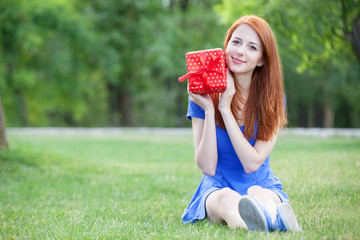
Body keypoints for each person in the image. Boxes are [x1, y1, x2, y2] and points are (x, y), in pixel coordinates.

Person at [182, 15, 302, 232]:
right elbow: (207, 167)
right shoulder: (202, 97)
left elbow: (252, 164)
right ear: (226, 45)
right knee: (229, 199)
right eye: (235, 42)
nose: (239, 51)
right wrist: (211, 109)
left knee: (258, 193)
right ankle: (271, 223)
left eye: (252, 47)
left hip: (261, 183)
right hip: (218, 187)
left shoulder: (274, 100)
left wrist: (225, 111)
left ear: (262, 60)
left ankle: (270, 216)